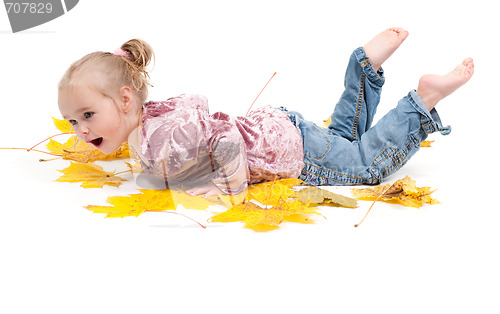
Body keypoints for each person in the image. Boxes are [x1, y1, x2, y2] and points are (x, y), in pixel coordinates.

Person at [58, 28, 474, 198]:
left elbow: (224, 138)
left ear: (126, 101)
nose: (79, 129)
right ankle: (365, 66)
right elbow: (199, 108)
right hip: (277, 126)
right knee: (343, 142)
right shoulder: (150, 121)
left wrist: (231, 185)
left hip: (287, 152)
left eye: (88, 115)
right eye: (74, 120)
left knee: (364, 165)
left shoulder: (160, 137)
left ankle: (422, 100)